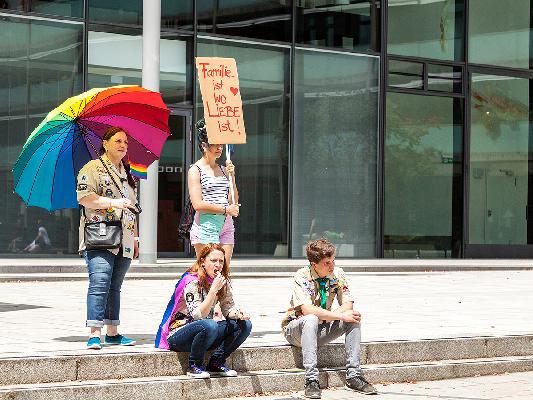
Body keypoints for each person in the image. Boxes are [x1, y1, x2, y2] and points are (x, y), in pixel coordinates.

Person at [282, 238, 377, 398]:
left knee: (352, 317)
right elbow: (307, 310)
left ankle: (353, 375)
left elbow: (348, 303)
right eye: (327, 263)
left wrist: (336, 316)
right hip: (296, 330)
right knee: (311, 319)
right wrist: (338, 315)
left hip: (321, 326)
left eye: (333, 261)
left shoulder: (338, 273)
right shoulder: (302, 276)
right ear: (314, 264)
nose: (332, 266)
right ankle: (311, 379)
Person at [77, 126, 140, 350]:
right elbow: (85, 198)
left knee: (115, 286)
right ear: (105, 143)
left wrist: (135, 240)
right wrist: (113, 203)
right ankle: (95, 333)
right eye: (118, 141)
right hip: (100, 236)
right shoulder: (92, 169)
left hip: (124, 238)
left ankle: (113, 332)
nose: (123, 145)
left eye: (125, 142)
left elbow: (132, 208)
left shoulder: (127, 173)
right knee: (99, 283)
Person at [155, 243, 252, 379]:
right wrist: (213, 291)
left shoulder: (221, 281)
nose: (217, 265)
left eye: (221, 261)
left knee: (244, 325)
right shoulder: (191, 281)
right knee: (209, 324)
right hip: (179, 334)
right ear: (203, 262)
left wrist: (238, 314)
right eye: (213, 261)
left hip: (205, 331)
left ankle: (216, 362)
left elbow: (228, 308)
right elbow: (198, 315)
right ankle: (194, 366)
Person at [188, 119, 239, 268]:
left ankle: (222, 292)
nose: (219, 148)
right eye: (215, 144)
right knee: (208, 273)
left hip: (226, 223)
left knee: (224, 271)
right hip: (206, 223)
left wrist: (232, 177)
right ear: (204, 145)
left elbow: (232, 200)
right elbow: (197, 204)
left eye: (220, 144)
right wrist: (225, 209)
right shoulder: (195, 170)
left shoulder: (224, 169)